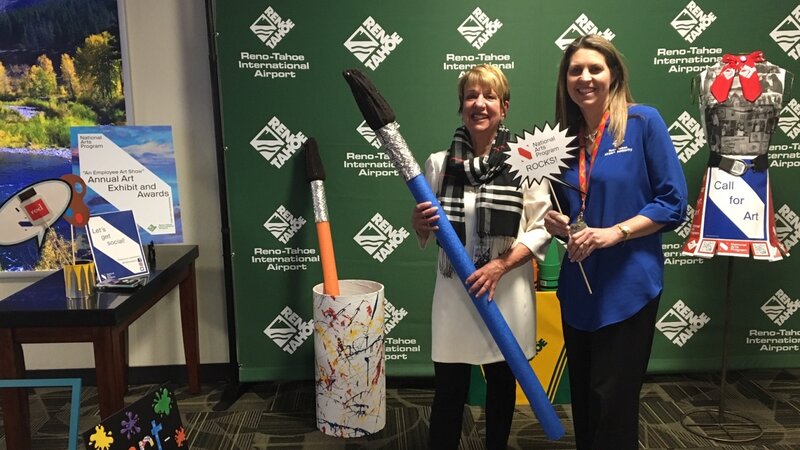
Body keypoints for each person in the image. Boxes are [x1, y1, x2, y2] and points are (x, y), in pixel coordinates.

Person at [544, 35, 687, 449]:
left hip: (628, 286)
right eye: (575, 70)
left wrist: (616, 231)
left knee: (614, 402)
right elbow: (571, 211)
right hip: (579, 286)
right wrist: (559, 224)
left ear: (614, 75)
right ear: (565, 81)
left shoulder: (643, 123)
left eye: (595, 68)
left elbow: (673, 203)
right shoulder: (563, 143)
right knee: (586, 400)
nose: (584, 77)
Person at [411, 64, 552, 450]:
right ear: (461, 108)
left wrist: (500, 266)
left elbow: (540, 228)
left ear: (504, 108)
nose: (480, 103)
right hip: (455, 291)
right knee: (449, 391)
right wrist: (419, 223)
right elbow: (428, 230)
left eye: (489, 96)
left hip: (506, 290)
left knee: (502, 386)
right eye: (471, 96)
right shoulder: (439, 164)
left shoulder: (527, 162)